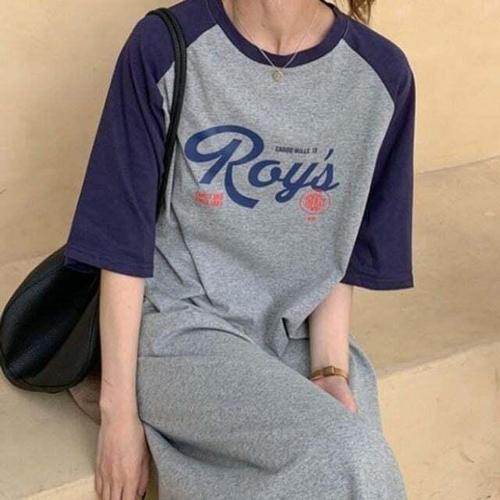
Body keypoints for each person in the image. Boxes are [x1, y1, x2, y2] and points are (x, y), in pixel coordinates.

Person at [63, 0, 416, 498]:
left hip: (297, 337)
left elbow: (343, 240)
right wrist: (118, 416)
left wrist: (330, 369)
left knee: (360, 460)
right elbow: (122, 238)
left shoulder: (381, 76)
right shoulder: (165, 46)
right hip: (180, 329)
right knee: (350, 458)